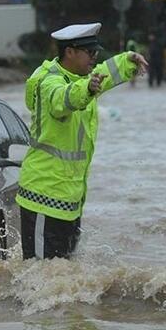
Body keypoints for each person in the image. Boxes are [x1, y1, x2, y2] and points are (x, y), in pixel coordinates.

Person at [17, 23, 148, 259]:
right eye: (90, 53)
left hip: (69, 201)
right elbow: (62, 100)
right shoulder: (50, 82)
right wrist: (86, 89)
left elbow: (102, 76)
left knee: (63, 277)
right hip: (43, 198)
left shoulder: (81, 77)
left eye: (96, 53)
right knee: (37, 276)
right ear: (70, 52)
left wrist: (128, 61)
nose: (95, 57)